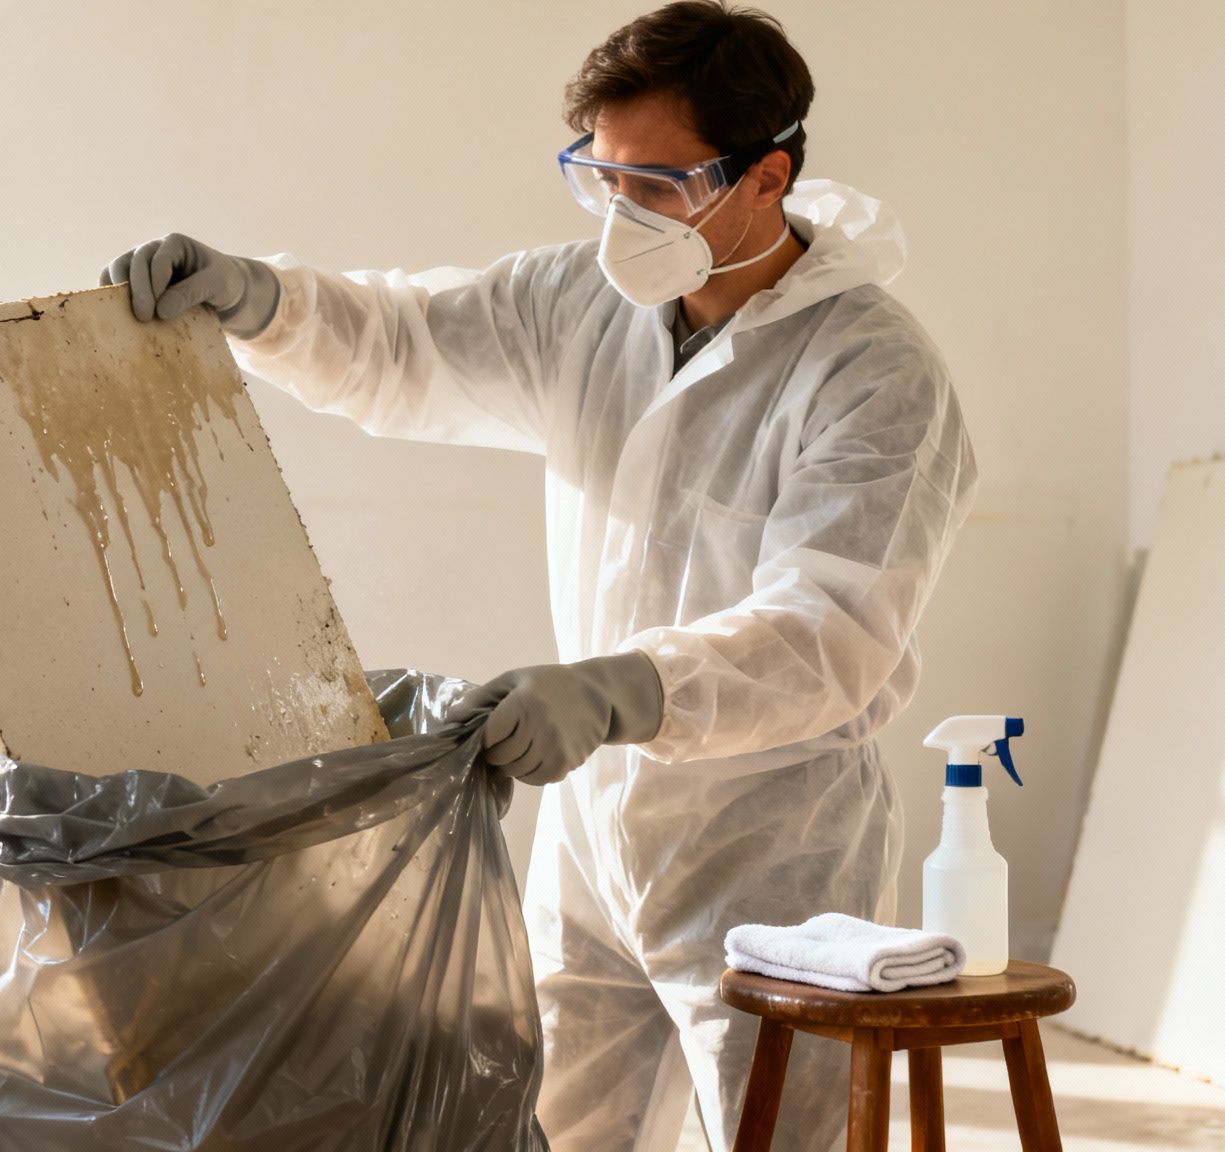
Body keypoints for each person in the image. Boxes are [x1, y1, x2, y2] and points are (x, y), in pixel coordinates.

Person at [103, 3, 977, 1149]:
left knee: (777, 1137)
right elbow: (405, 341)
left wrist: (617, 690)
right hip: (593, 833)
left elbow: (830, 628)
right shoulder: (580, 303)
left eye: (659, 184)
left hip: (771, 849)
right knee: (557, 1130)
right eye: (600, 178)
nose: (623, 215)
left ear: (766, 176)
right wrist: (261, 302)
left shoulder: (871, 372)